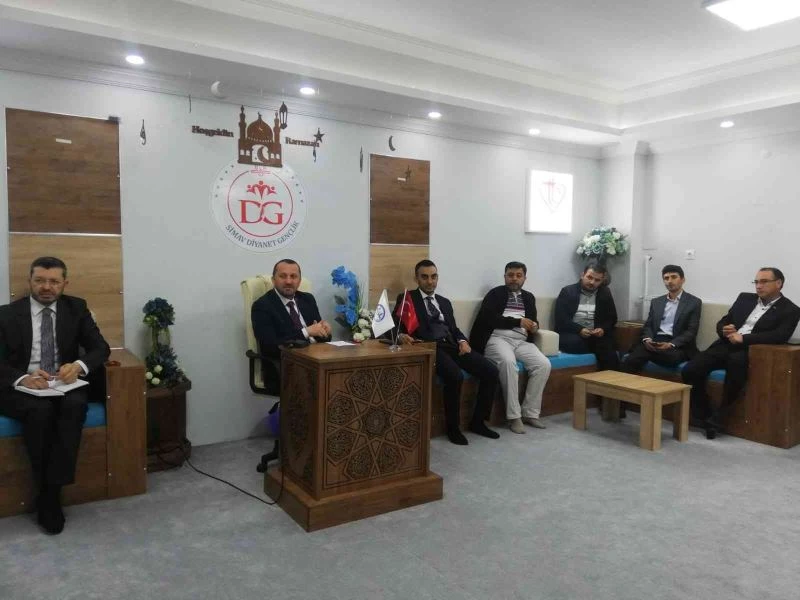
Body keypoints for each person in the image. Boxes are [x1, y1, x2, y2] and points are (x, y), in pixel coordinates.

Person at [0, 257, 110, 534]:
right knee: (40, 412)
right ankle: (50, 498)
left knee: (75, 406)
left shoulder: (77, 308)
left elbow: (100, 348)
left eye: (53, 281)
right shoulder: (7, 314)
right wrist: (22, 377)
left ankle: (49, 493)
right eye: (39, 280)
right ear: (30, 281)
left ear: (64, 284)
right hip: (22, 387)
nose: (46, 287)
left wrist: (79, 366)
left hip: (63, 383)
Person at [682, 267, 800, 439]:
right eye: (756, 282)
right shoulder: (745, 298)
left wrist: (744, 339)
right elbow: (725, 320)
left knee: (736, 366)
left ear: (778, 283)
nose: (758, 286)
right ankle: (704, 414)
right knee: (690, 369)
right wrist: (724, 329)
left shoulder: (790, 309)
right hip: (725, 344)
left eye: (764, 282)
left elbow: (780, 335)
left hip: (750, 351)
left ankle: (719, 418)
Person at [396, 260, 499, 445]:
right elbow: (395, 328)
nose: (430, 281)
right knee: (454, 375)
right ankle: (453, 428)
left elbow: (454, 329)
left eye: (433, 276)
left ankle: (478, 422)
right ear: (416, 278)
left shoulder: (444, 302)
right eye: (424, 277)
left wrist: (463, 341)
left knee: (491, 371)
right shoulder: (407, 299)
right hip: (429, 346)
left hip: (452, 345)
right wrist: (401, 336)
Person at [470, 261, 551, 434]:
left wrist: (534, 326)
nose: (514, 278)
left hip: (521, 341)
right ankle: (514, 417)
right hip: (497, 338)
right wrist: (518, 322)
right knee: (508, 363)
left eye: (518, 275)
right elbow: (489, 318)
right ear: (505, 277)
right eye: (510, 275)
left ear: (524, 278)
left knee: (543, 364)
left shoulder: (529, 297)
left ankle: (530, 413)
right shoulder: (495, 294)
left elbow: (533, 320)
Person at [622, 265, 702, 373]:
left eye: (674, 277)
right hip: (655, 341)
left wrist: (671, 344)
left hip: (677, 344)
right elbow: (648, 325)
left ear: (683, 280)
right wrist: (647, 339)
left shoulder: (693, 302)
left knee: (671, 359)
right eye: (666, 278)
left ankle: (648, 353)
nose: (670, 281)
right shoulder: (657, 302)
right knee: (630, 360)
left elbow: (691, 331)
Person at [251, 259, 332, 364]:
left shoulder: (308, 299)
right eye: (283, 276)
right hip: (286, 364)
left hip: (316, 358)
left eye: (293, 276)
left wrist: (325, 332)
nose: (288, 281)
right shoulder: (262, 306)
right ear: (273, 280)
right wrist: (306, 332)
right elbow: (269, 347)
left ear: (299, 281)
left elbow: (319, 336)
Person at [554, 264, 619, 370]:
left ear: (602, 281)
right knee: (577, 343)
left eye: (597, 280)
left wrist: (602, 329)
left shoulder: (605, 293)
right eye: (589, 277)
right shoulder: (568, 291)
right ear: (582, 275)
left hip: (595, 335)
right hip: (572, 333)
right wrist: (579, 329)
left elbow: (612, 318)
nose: (592, 282)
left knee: (609, 350)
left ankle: (611, 379)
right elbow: (561, 319)